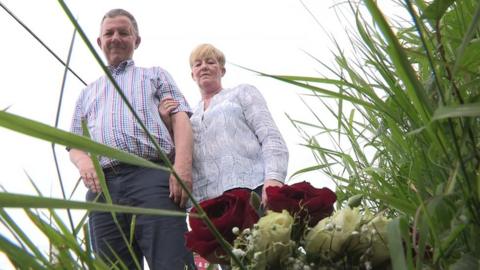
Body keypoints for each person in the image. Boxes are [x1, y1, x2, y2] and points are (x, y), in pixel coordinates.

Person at [69, 9, 195, 269]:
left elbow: (181, 118)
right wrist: (84, 164)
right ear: (99, 42)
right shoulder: (87, 93)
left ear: (136, 40)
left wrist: (182, 168)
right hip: (102, 189)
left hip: (151, 177)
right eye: (109, 33)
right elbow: (75, 144)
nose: (115, 38)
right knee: (112, 265)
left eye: (123, 33)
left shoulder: (154, 75)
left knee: (172, 261)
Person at [159, 43, 289, 207]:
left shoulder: (242, 93)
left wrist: (274, 179)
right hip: (209, 205)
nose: (204, 67)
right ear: (192, 74)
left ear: (222, 70)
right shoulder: (190, 117)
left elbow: (270, 137)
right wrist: (168, 124)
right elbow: (181, 159)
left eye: (210, 62)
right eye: (198, 64)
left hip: (253, 191)